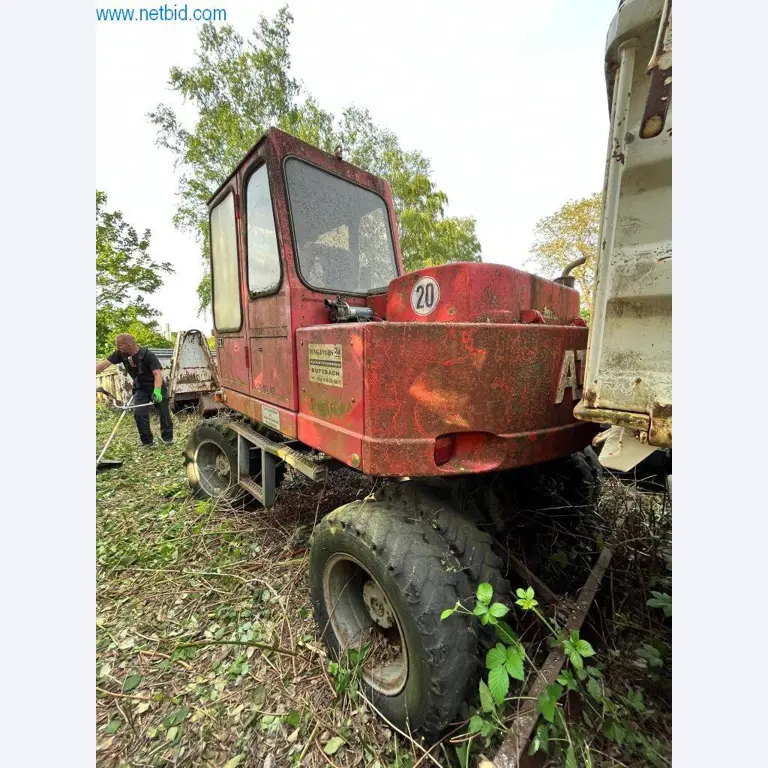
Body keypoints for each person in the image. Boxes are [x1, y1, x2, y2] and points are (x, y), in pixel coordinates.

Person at [96, 334, 174, 447]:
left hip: (156, 386)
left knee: (163, 412)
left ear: (128, 345)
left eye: (119, 345)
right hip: (140, 388)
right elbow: (103, 365)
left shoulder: (148, 355)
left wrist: (157, 392)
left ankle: (168, 439)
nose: (118, 348)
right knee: (139, 413)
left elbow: (157, 374)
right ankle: (147, 442)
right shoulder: (120, 354)